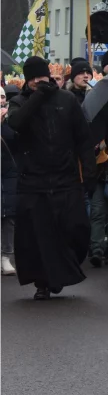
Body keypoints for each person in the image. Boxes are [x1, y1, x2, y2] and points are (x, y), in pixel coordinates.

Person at [5, 57, 94, 299]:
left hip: (66, 178)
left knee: (76, 228)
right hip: (33, 181)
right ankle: (44, 282)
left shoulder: (66, 100)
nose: (37, 81)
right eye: (32, 78)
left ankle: (64, 270)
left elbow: (83, 139)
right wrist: (37, 97)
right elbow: (15, 123)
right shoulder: (19, 102)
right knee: (38, 237)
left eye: (40, 77)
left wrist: (89, 172)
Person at [1, 92, 17, 276]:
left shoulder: (12, 119)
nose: (1, 100)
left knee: (8, 216)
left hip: (9, 174)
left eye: (3, 96)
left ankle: (6, 256)